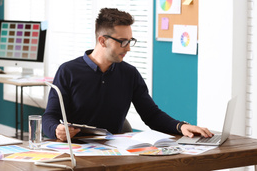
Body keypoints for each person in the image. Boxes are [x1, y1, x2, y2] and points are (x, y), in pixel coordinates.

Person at [42, 8, 213, 141]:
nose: (128, 48)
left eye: (130, 41)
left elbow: (151, 114)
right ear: (102, 41)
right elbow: (50, 116)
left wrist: (180, 127)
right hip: (75, 153)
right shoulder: (68, 71)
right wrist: (57, 129)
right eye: (123, 42)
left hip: (114, 155)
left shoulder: (129, 73)